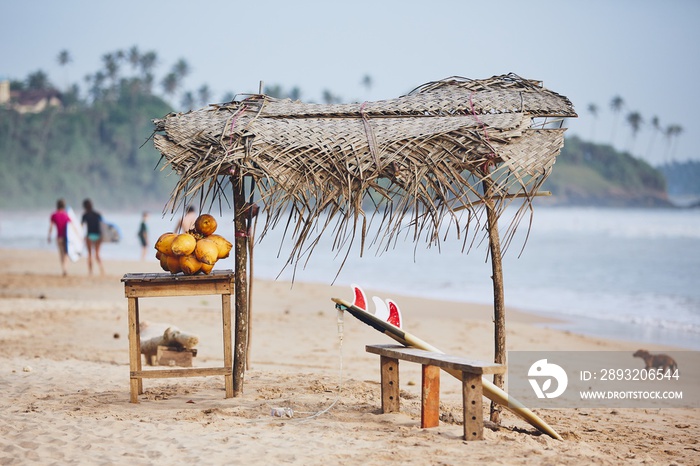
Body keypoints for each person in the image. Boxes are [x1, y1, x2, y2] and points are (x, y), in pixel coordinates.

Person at [47, 198, 72, 276]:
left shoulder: (54, 215)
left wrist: (49, 236)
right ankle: (65, 268)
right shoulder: (66, 215)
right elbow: (71, 227)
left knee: (61, 253)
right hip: (66, 237)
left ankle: (63, 268)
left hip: (58, 237)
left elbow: (51, 226)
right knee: (66, 253)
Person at [81, 198, 105, 276]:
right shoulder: (97, 214)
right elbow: (103, 224)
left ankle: (90, 272)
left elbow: (81, 226)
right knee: (97, 254)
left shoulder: (85, 215)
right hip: (98, 235)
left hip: (89, 235)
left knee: (89, 254)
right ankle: (101, 269)